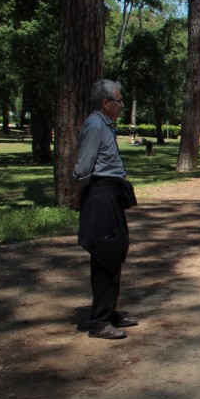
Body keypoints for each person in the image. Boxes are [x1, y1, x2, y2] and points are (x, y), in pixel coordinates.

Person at [70, 80, 138, 339]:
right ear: (106, 102)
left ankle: (108, 311)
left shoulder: (105, 126)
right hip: (100, 196)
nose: (122, 105)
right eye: (119, 101)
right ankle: (99, 322)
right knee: (105, 253)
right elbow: (83, 168)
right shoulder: (95, 126)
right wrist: (78, 197)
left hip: (111, 194)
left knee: (115, 250)